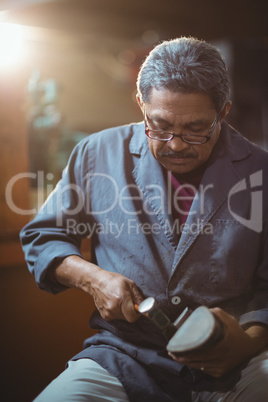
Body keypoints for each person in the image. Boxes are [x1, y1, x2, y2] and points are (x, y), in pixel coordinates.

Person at [20, 37, 268, 401]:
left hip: (236, 360)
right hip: (124, 356)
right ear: (141, 105)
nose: (177, 143)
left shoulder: (260, 170)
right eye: (160, 125)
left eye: (197, 128)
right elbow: (44, 236)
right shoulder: (96, 153)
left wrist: (248, 344)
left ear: (224, 112)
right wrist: (92, 279)